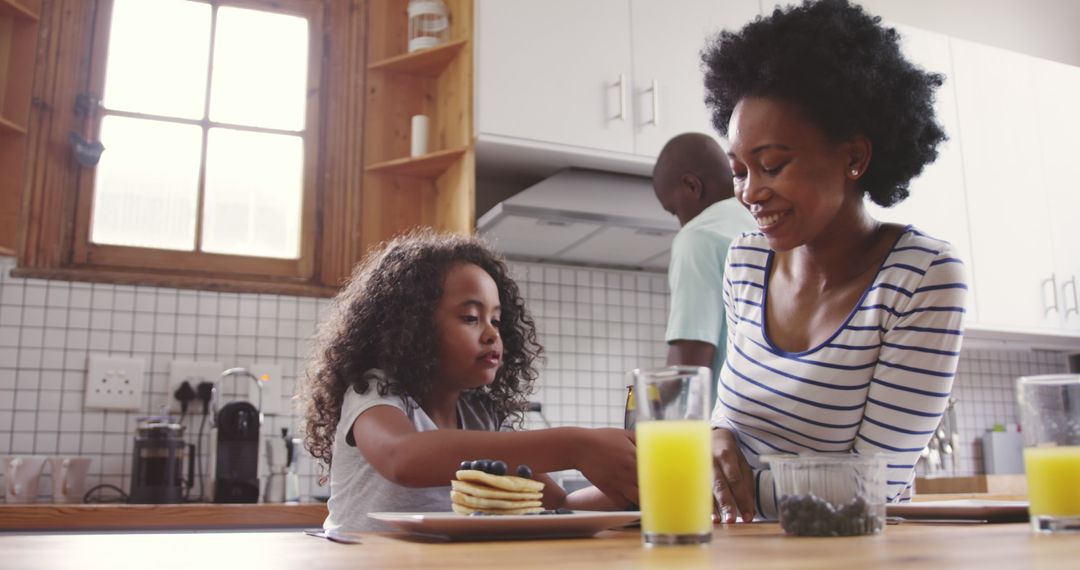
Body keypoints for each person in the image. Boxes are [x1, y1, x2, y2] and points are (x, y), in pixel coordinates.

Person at [700, 0, 967, 522]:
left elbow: (872, 488)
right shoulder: (746, 261)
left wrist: (712, 478)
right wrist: (709, 441)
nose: (750, 192)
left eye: (773, 165)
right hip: (743, 553)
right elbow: (727, 424)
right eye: (738, 170)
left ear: (853, 158)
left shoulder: (922, 277)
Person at [301, 230, 636, 531]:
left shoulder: (481, 415)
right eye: (471, 318)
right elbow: (401, 458)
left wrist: (637, 489)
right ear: (414, 328)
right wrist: (576, 446)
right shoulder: (375, 391)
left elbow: (559, 505)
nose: (492, 334)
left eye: (497, 320)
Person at [652, 133, 758, 399]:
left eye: (674, 210)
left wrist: (642, 412)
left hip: (725, 433)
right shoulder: (767, 224)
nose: (679, 223)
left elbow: (687, 369)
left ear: (692, 186)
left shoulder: (699, 237)